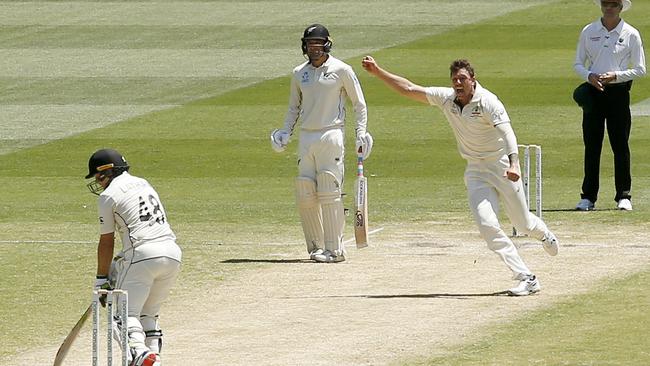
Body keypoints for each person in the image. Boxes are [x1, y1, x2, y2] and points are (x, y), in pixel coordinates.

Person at [361, 56, 559, 296]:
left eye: (462, 78)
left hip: (501, 167)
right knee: (487, 225)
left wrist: (515, 164)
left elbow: (508, 134)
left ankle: (544, 234)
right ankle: (526, 277)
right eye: (454, 79)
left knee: (522, 223)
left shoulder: (488, 102)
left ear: (472, 80)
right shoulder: (447, 99)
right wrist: (378, 71)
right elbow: (411, 89)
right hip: (476, 171)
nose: (458, 83)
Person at [270, 24, 373, 263]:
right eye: (309, 44)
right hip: (306, 137)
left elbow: (359, 104)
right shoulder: (299, 73)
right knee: (305, 191)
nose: (313, 48)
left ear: (327, 44)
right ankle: (315, 248)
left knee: (329, 190)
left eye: (317, 44)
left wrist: (361, 133)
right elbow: (294, 107)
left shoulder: (341, 69)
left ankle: (335, 250)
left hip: (331, 134)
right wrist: (285, 131)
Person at [85, 148, 182, 366]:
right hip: (172, 253)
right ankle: (154, 359)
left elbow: (107, 241)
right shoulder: (143, 183)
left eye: (98, 177)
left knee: (120, 316)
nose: (98, 183)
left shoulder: (108, 196)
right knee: (149, 316)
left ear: (105, 172)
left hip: (142, 255)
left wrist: (102, 279)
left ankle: (139, 354)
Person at [573, 0, 646, 211]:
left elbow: (640, 69)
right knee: (592, 146)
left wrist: (616, 76)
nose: (609, 7)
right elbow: (578, 63)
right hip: (594, 93)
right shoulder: (589, 31)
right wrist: (589, 76)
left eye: (613, 4)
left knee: (620, 145)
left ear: (621, 7)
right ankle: (588, 197)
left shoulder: (631, 33)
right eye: (606, 3)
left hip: (618, 94)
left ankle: (623, 195)